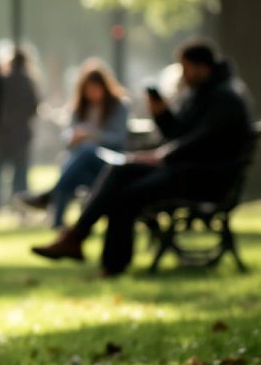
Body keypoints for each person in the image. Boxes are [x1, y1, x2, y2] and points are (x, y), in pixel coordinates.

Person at [31, 39, 254, 276]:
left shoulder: (225, 97)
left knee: (126, 195)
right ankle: (77, 238)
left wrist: (162, 156)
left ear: (201, 67)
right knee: (121, 169)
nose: (183, 74)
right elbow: (180, 134)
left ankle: (107, 261)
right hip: (186, 171)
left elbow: (201, 140)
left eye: (186, 67)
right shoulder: (204, 94)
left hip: (205, 178)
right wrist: (162, 114)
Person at [17, 59, 128, 228]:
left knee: (84, 152)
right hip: (84, 166)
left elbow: (118, 138)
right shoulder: (79, 107)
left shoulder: (119, 106)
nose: (92, 93)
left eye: (95, 89)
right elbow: (68, 133)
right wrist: (74, 137)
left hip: (109, 162)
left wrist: (91, 135)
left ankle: (49, 198)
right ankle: (58, 224)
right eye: (88, 90)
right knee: (73, 167)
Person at [0, 49, 40, 214]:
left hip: (2, 135)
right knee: (20, 175)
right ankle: (20, 208)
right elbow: (34, 107)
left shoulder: (2, 81)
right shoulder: (28, 82)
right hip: (21, 135)